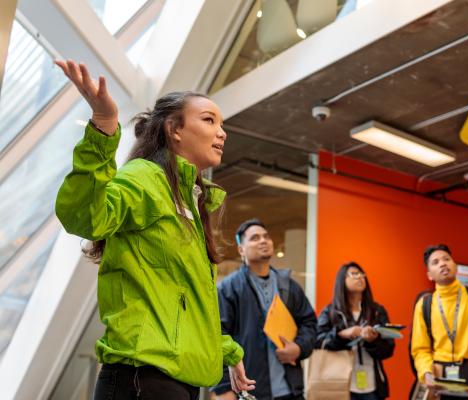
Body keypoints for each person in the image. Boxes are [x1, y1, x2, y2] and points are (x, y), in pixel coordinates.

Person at [53, 60, 254, 399]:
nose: (222, 132)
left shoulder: (192, 203)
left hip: (176, 380)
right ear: (174, 130)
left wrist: (227, 352)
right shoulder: (146, 177)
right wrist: (103, 126)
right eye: (209, 120)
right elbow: (84, 216)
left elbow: (182, 300)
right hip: (141, 376)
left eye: (222, 124)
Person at [213, 219, 317, 400]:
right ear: (241, 250)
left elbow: (309, 323)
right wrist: (224, 389)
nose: (263, 241)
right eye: (254, 238)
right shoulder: (228, 289)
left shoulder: (288, 285)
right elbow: (217, 338)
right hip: (249, 391)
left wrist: (299, 348)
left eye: (266, 236)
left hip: (290, 389)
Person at [411, 244, 468, 399]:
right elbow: (420, 350)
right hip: (439, 377)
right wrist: (426, 373)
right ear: (429, 275)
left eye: (447, 259)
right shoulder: (425, 304)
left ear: (455, 266)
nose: (443, 263)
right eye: (435, 262)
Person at [316, 261, 395, 400]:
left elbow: (389, 349)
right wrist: (342, 335)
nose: (360, 277)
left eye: (362, 274)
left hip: (373, 387)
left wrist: (373, 341)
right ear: (342, 280)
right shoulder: (330, 312)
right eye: (354, 274)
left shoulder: (377, 311)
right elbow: (318, 342)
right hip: (339, 385)